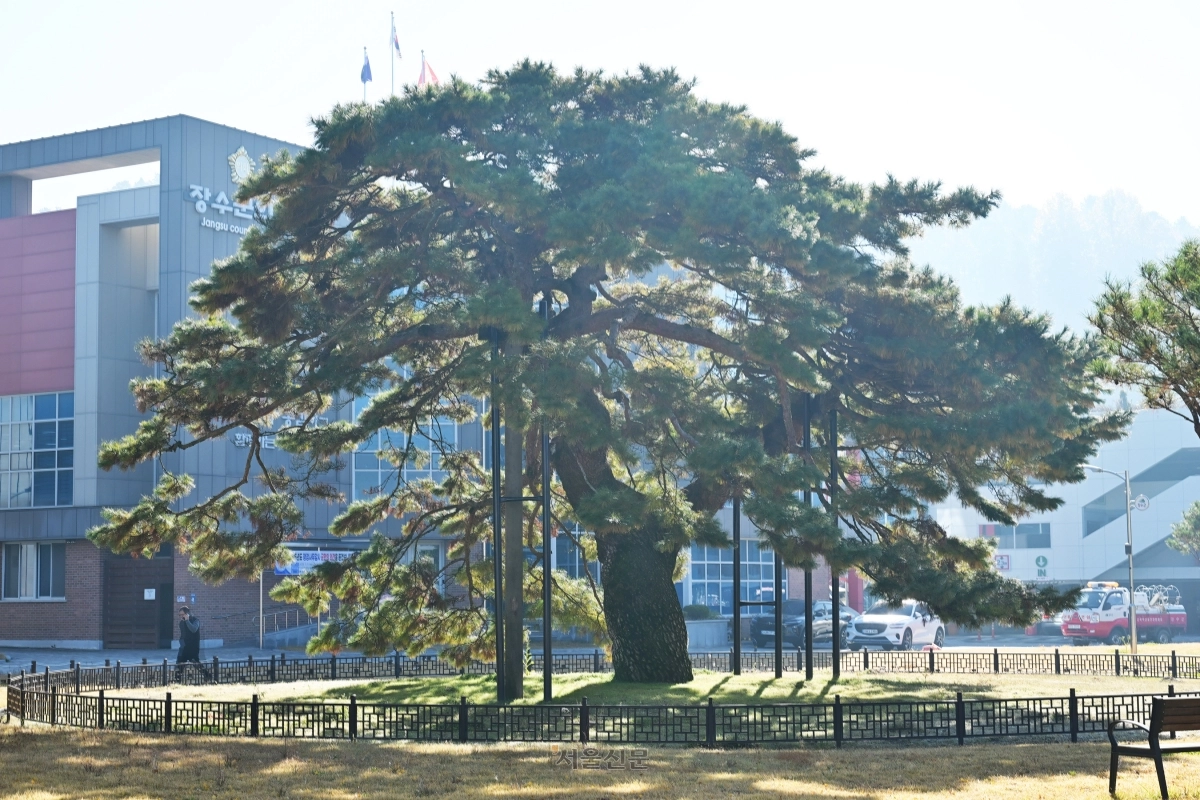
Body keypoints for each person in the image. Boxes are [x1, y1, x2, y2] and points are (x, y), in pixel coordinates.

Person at [175, 606, 210, 681]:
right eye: (179, 615)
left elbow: (194, 629)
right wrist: (181, 643)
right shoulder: (181, 623)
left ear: (187, 614)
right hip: (184, 647)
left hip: (193, 646)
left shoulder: (195, 620)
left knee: (196, 662)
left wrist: (187, 621)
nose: (181, 616)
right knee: (180, 663)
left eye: (182, 614)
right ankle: (177, 680)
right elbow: (183, 635)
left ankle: (207, 676)